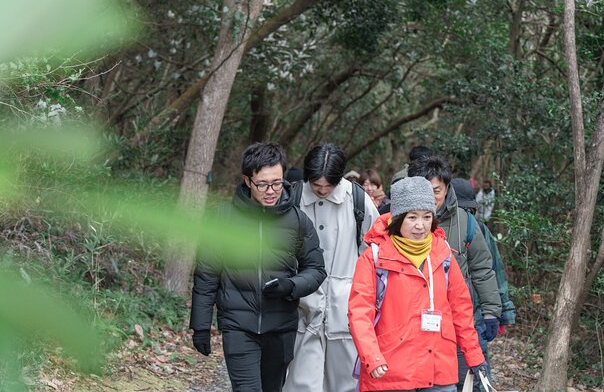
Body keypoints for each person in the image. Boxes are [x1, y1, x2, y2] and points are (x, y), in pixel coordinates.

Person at [190, 142, 327, 392]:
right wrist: (200, 325)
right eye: (262, 184)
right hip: (238, 326)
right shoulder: (223, 218)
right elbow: (206, 274)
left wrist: (291, 286)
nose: (271, 191)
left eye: (277, 182)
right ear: (247, 180)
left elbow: (316, 269)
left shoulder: (297, 220)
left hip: (281, 328)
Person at [348, 176, 486, 391]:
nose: (420, 225)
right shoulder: (374, 257)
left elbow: (461, 310)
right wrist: (371, 357)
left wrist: (474, 356)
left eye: (427, 216)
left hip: (438, 368)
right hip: (390, 370)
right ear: (397, 218)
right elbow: (359, 313)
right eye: (412, 217)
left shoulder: (443, 254)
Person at [283, 143, 379, 392]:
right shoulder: (293, 198)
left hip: (346, 311)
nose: (322, 191)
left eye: (328, 186)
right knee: (301, 383)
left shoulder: (358, 200)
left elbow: (376, 253)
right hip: (303, 308)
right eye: (316, 186)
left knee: (347, 383)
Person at [408, 156, 501, 392]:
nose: (430, 197)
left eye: (436, 190)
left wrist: (491, 311)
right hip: (410, 323)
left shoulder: (465, 222)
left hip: (458, 320)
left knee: (465, 380)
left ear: (447, 187)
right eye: (424, 190)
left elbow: (482, 269)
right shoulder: (400, 222)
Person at [451, 177, 517, 385]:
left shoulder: (478, 230)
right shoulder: (438, 229)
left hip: (477, 311)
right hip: (451, 312)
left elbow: (493, 271)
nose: (466, 215)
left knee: (477, 367)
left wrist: (501, 313)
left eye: (469, 210)